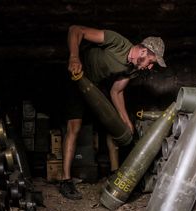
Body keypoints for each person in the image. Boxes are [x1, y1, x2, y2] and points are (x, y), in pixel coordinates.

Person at [60, 25, 166, 200]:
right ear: (143, 53)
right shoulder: (117, 42)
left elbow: (116, 91)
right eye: (152, 62)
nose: (150, 68)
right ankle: (65, 180)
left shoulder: (133, 70)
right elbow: (75, 30)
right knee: (74, 127)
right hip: (77, 77)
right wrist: (74, 57)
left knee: (113, 127)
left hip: (95, 86)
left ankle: (114, 173)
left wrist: (125, 119)